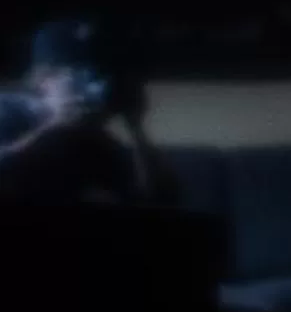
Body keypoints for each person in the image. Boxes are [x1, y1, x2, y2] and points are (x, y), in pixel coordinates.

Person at [0, 18, 167, 204]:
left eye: (102, 77)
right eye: (83, 77)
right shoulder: (9, 110)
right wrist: (50, 128)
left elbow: (157, 197)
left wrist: (136, 128)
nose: (95, 88)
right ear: (43, 78)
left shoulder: (89, 138)